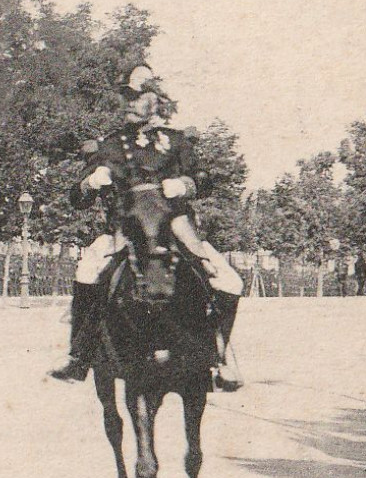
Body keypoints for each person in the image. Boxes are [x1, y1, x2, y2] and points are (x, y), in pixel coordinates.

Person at [49, 65, 243, 390]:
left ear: (154, 100)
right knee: (86, 272)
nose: (129, 102)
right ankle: (78, 356)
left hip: (176, 227)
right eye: (126, 96)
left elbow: (206, 179)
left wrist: (185, 184)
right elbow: (76, 197)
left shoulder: (178, 141)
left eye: (137, 96)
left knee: (229, 281)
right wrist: (90, 183)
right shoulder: (109, 145)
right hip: (124, 228)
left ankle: (220, 357)